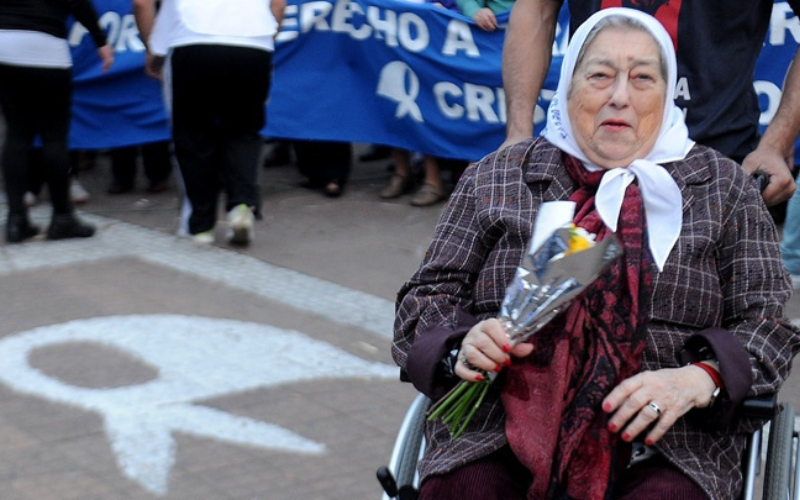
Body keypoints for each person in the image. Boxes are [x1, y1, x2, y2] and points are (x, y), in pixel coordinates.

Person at [392, 9, 800, 499]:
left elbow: (767, 324)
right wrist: (462, 344)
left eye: (643, 78)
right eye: (600, 76)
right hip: (498, 423)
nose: (619, 96)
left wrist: (699, 378)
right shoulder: (500, 176)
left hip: (669, 438)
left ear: (667, 94)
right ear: (568, 87)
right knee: (465, 488)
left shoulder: (721, 187)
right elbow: (425, 297)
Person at [500, 0, 800, 208]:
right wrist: (518, 133)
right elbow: (536, 8)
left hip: (715, 169)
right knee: (556, 282)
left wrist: (775, 145)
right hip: (580, 166)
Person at [134, 0, 285, 246]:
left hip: (192, 41)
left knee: (193, 134)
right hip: (253, 42)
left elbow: (142, 3)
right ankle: (241, 204)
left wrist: (155, 49)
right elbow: (278, 5)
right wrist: (265, 40)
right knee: (244, 131)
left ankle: (201, 224)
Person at [0, 0, 113, 244]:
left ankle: (16, 220)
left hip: (4, 43)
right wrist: (101, 40)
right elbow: (80, 3)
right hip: (47, 47)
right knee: (54, 136)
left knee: (16, 133)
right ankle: (62, 217)